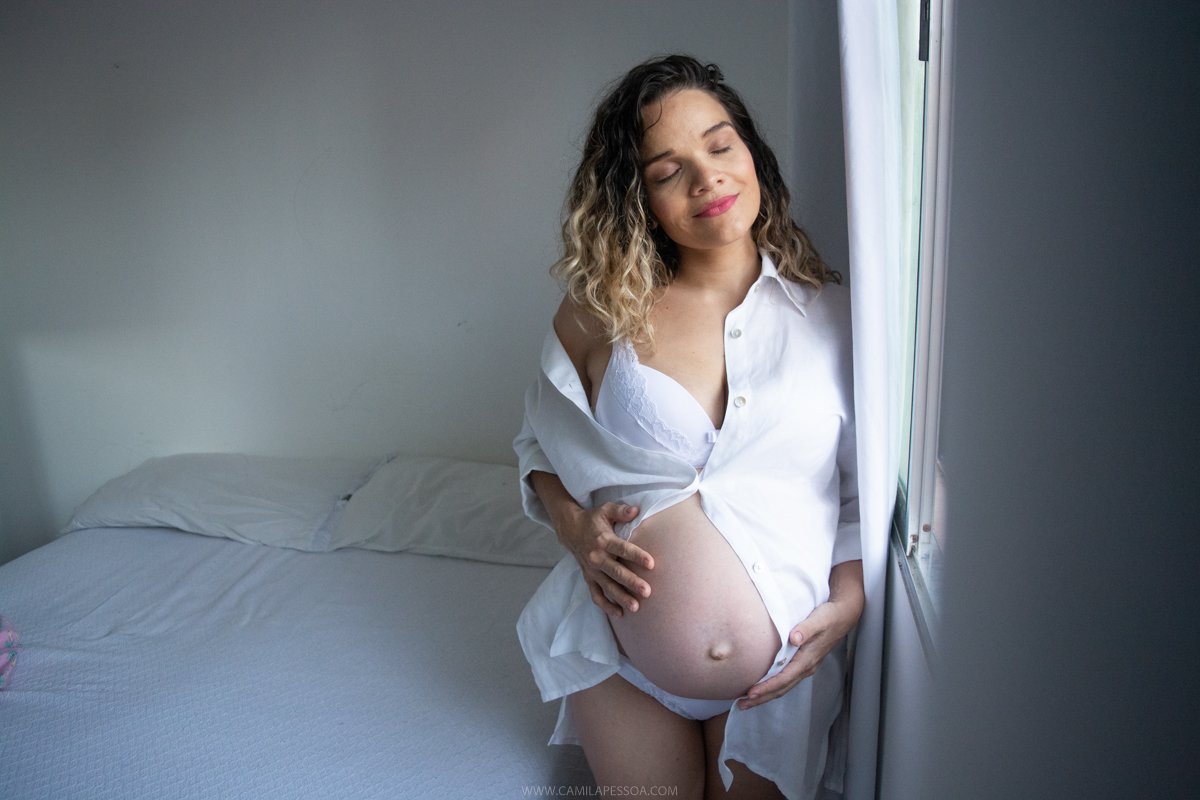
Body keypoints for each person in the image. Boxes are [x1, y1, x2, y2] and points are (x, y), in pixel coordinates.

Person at [515, 55, 865, 800]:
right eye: (668, 171)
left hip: (782, 670)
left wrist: (851, 599)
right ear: (637, 199)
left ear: (751, 154)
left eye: (720, 145)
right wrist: (576, 531)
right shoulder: (598, 316)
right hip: (620, 664)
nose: (706, 178)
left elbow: (861, 492)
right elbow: (538, 444)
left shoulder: (835, 321)